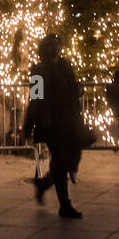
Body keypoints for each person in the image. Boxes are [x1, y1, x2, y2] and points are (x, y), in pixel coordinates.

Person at [23, 34, 87, 219]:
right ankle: (64, 204)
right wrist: (29, 125)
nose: (57, 48)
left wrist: (78, 90)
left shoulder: (65, 66)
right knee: (60, 160)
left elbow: (72, 89)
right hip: (52, 123)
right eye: (53, 46)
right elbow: (35, 99)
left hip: (68, 120)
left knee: (69, 157)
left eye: (57, 45)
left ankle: (44, 184)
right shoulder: (39, 71)